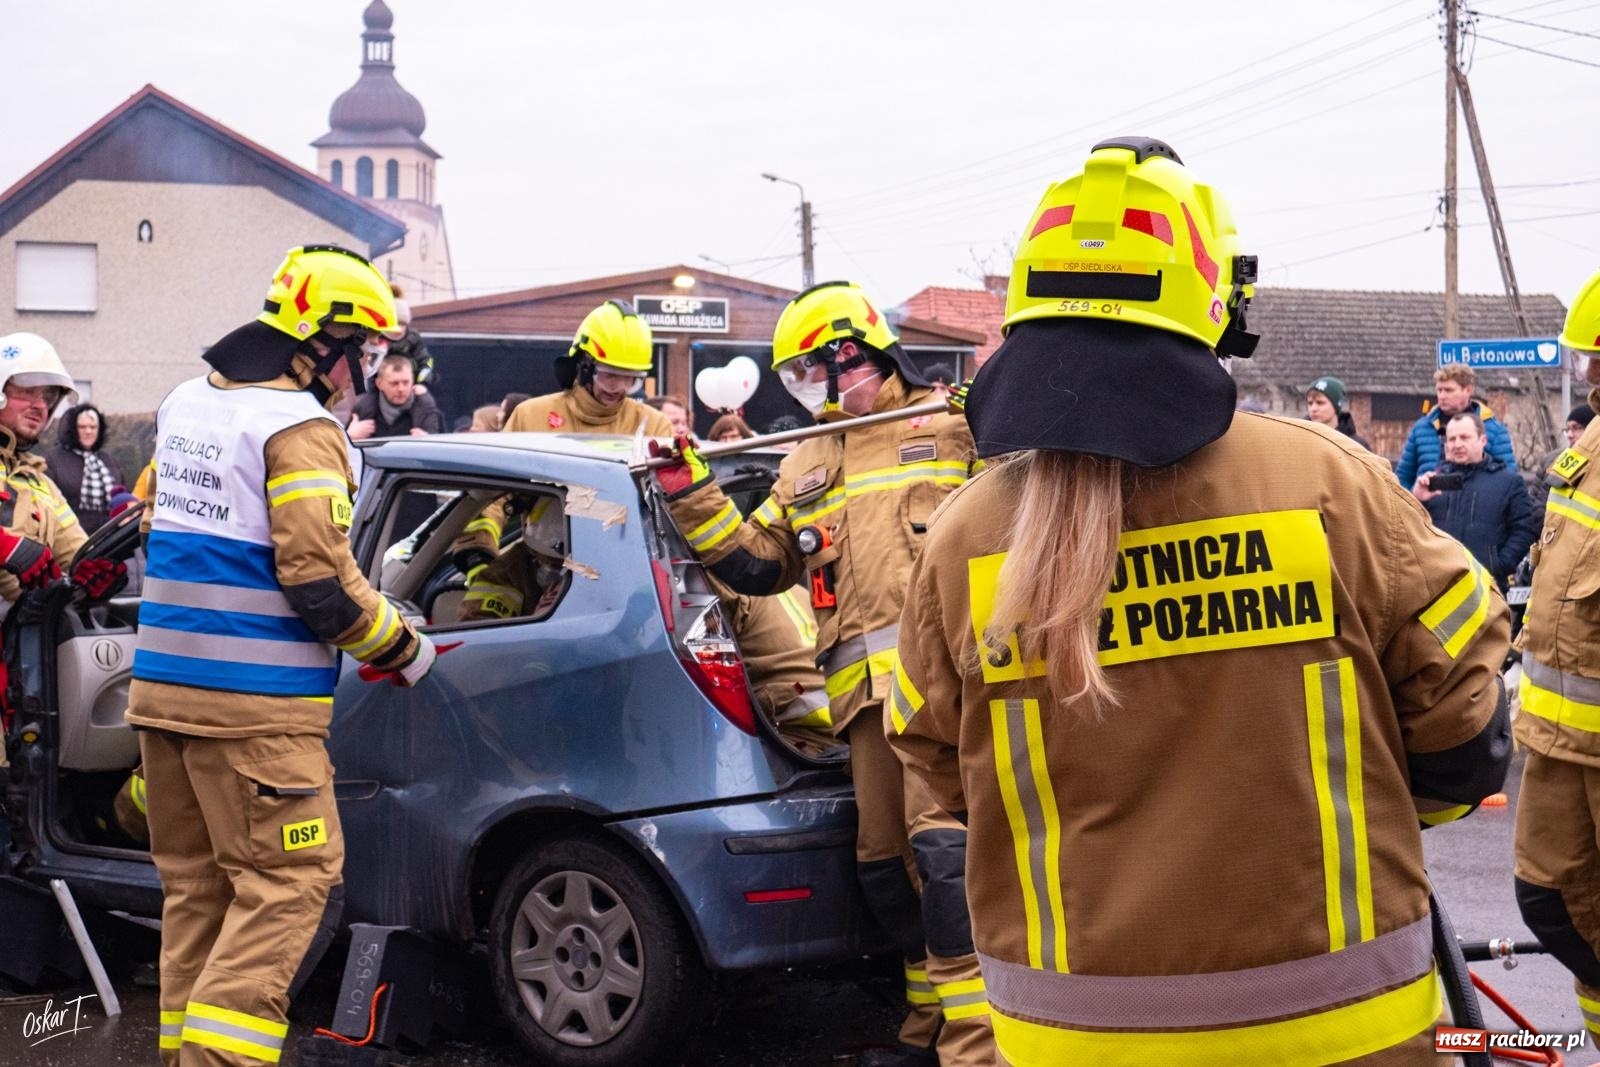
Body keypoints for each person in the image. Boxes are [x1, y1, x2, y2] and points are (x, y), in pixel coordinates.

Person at [887, 137, 1511, 1066]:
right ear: (1217, 300)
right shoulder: (1333, 485)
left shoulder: (963, 537)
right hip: (1342, 1028)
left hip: (1068, 1040)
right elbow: (1466, 726)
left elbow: (940, 788)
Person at [651, 281, 990, 1066]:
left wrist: (996, 406)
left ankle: (967, 1037)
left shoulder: (949, 425)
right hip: (867, 707)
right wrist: (688, 488)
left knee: (949, 857)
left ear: (853, 355)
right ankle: (930, 1019)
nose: (802, 391)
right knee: (884, 867)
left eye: (811, 370)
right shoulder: (805, 465)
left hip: (955, 691)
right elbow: (759, 564)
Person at [125, 244, 435, 1067]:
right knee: (288, 885)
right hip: (256, 714)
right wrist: (403, 646)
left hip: (163, 701)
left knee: (198, 893)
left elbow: (157, 521)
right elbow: (320, 583)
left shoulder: (185, 403)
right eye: (360, 349)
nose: (362, 370)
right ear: (319, 340)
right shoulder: (300, 428)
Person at [1513, 269, 1600, 1047]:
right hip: (1559, 747)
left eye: (1595, 360)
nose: (1587, 377)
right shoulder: (1593, 445)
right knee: (1553, 904)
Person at [452, 303, 673, 575]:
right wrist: (477, 550)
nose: (620, 389)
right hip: (541, 560)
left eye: (631, 380)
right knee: (482, 605)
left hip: (625, 569)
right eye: (611, 376)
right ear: (584, 366)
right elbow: (492, 491)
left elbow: (669, 507)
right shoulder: (532, 416)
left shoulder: (653, 426)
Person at [0, 333, 127, 771]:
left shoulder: (39, 482)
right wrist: (7, 547)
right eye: (26, 392)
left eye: (48, 397)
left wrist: (100, 572)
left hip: (20, 658)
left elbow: (78, 553)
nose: (39, 405)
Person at [1414, 411, 1537, 589]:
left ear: (1482, 441)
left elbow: (1524, 531)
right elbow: (1412, 532)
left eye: (1464, 438)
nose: (1457, 444)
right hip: (1438, 586)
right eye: (1452, 439)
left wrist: (1497, 566)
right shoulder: (1432, 484)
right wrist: (1417, 500)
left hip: (1487, 587)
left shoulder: (1509, 482)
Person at [1395, 363, 1516, 488]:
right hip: (1426, 504)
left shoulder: (1493, 429)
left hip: (1475, 502)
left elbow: (1508, 478)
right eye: (1439, 390)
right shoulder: (1422, 428)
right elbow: (1403, 477)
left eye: (1449, 390)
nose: (1442, 396)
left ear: (1468, 390)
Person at [46, 402, 125, 532]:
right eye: (82, 427)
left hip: (110, 539)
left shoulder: (108, 460)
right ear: (72, 429)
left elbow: (122, 496)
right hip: (71, 536)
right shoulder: (53, 459)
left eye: (93, 427)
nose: (88, 431)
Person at [347, 353, 445, 439]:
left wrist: (429, 442)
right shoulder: (363, 411)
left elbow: (444, 452)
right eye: (394, 383)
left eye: (406, 382)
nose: (401, 389)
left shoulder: (427, 411)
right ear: (379, 383)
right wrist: (349, 437)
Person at [1304, 375, 1371, 450]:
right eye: (1310, 403)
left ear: (1336, 405)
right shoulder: (1301, 439)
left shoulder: (1356, 445)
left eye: (1320, 403)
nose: (1313, 408)